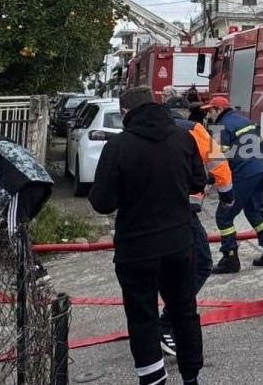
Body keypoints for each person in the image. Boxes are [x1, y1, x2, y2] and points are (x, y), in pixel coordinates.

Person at [90, 87, 206, 385]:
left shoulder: (119, 146)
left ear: (126, 112)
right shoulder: (183, 138)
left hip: (136, 249)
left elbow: (102, 202)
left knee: (143, 319)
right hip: (179, 244)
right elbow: (198, 180)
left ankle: (153, 380)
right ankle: (191, 378)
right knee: (184, 312)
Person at [158, 109, 233, 358]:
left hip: (146, 214)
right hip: (182, 210)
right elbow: (218, 162)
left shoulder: (136, 132)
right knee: (201, 264)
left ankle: (152, 327)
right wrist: (226, 195)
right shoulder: (192, 129)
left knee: (159, 269)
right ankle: (166, 323)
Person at [203, 96, 263, 273]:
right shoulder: (246, 121)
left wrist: (209, 181)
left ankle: (230, 259)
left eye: (210, 110)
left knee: (224, 216)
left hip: (243, 175)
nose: (208, 115)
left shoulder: (220, 127)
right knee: (254, 212)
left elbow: (218, 160)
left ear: (219, 110)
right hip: (258, 171)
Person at [0, 135, 55, 285]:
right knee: (4, 228)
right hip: (41, 184)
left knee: (14, 230)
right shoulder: (7, 145)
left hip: (22, 187)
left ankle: (33, 270)